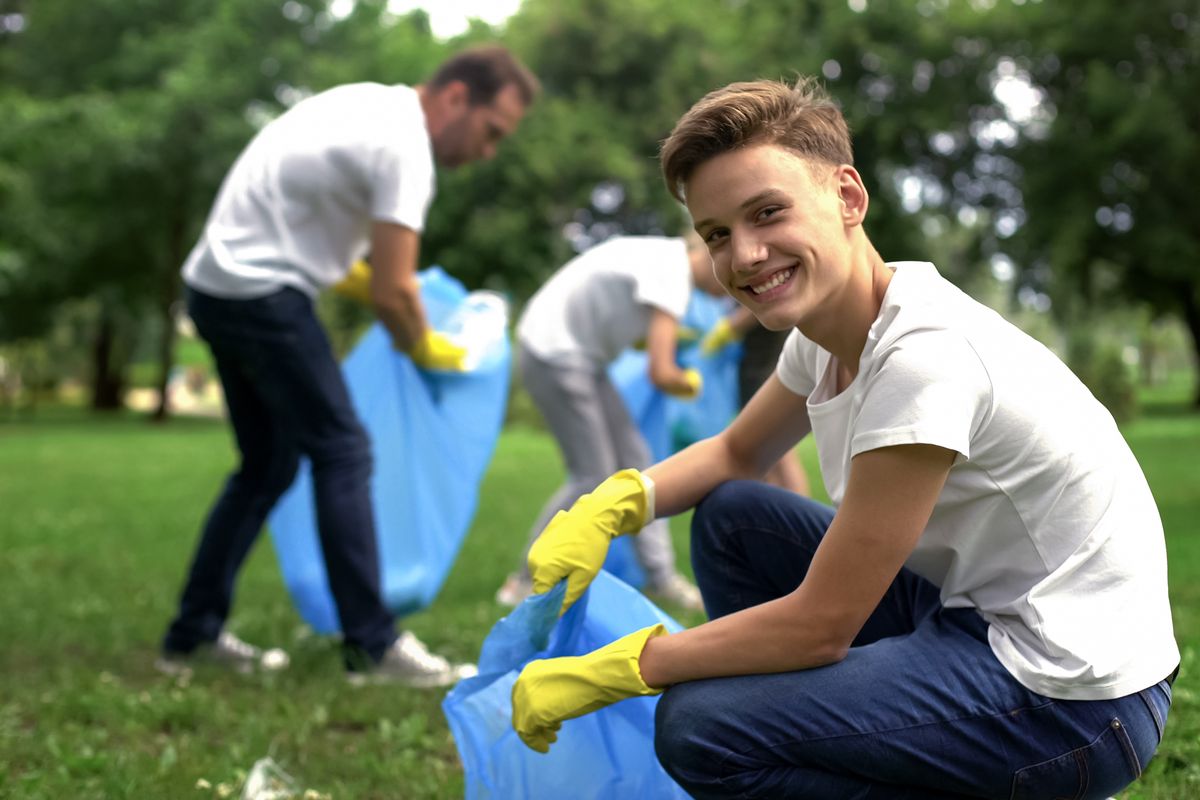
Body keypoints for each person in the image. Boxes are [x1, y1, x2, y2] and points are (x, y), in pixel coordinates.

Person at [509, 77, 1179, 797]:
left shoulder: (924, 358)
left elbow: (822, 626)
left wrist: (622, 666)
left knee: (701, 727)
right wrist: (614, 506)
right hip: (973, 615)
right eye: (718, 236)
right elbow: (738, 452)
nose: (745, 255)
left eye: (767, 213)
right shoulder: (832, 332)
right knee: (735, 518)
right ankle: (808, 726)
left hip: (1071, 700)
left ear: (848, 198)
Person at [157, 46, 539, 686]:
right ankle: (373, 645)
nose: (487, 151)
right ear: (454, 99)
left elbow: (348, 265)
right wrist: (427, 349)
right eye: (491, 132)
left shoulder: (369, 105)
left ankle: (191, 634)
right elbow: (393, 290)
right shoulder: (405, 149)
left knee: (268, 465)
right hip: (260, 291)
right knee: (343, 450)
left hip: (216, 287)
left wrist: (397, 309)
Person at [494, 233, 721, 612]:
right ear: (711, 254)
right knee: (591, 475)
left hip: (577, 355)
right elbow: (662, 373)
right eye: (729, 282)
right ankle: (524, 581)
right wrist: (690, 382)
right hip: (555, 352)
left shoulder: (663, 255)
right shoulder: (673, 273)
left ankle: (660, 577)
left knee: (641, 466)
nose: (728, 294)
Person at [701, 306, 811, 494]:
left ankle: (798, 513)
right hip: (754, 368)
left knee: (779, 452)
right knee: (764, 454)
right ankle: (780, 513)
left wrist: (730, 327)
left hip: (765, 367)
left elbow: (762, 303)